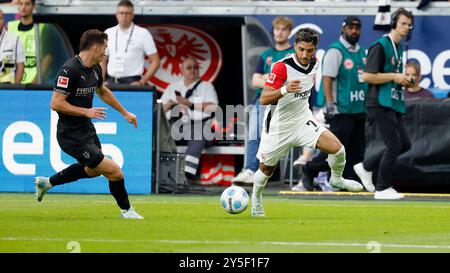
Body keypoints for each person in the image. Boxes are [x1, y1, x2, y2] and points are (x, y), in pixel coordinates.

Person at [252, 28, 363, 217]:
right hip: (279, 127)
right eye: (301, 49)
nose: (305, 55)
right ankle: (256, 198)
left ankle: (336, 180)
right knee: (266, 169)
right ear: (295, 45)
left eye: (309, 50)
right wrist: (285, 90)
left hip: (302, 121)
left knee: (338, 148)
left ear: (315, 49)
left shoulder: (314, 63)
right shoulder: (281, 67)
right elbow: (263, 99)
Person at [34, 29, 144, 219]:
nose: (105, 52)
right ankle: (127, 211)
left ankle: (47, 183)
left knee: (93, 171)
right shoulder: (70, 70)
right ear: (95, 47)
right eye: (104, 48)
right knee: (115, 172)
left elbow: (102, 91)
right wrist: (86, 111)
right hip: (70, 134)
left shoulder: (94, 69)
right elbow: (55, 103)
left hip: (86, 130)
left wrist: (125, 112)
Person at [294, 16, 368, 191]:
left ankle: (347, 181)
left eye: (357, 28)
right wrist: (330, 104)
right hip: (341, 110)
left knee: (355, 151)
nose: (354, 31)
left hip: (357, 108)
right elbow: (327, 79)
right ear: (343, 29)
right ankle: (310, 168)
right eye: (351, 28)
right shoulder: (336, 50)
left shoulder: (361, 52)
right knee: (336, 149)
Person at [353, 8, 414, 200]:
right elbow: (367, 75)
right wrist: (395, 76)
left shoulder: (399, 47)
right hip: (378, 101)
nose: (406, 27)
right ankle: (382, 188)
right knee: (394, 144)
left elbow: (392, 76)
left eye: (409, 24)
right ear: (394, 23)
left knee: (404, 143)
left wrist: (404, 79)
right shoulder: (380, 45)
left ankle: (365, 166)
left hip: (393, 101)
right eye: (403, 23)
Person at [232, 16, 295, 185]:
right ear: (273, 32)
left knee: (267, 135)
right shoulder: (266, 54)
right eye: (277, 29)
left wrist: (268, 78)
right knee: (253, 132)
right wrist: (274, 79)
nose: (279, 32)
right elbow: (254, 81)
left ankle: (261, 171)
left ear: (289, 32)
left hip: (283, 101)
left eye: (283, 29)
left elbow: (290, 80)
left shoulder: (293, 55)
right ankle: (250, 169)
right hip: (262, 99)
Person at [160, 57, 218, 181]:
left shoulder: (206, 86)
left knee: (199, 133)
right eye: (189, 67)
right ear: (182, 70)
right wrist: (169, 105)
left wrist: (190, 104)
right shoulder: (173, 87)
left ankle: (186, 176)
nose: (193, 70)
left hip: (200, 126)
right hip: (177, 127)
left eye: (195, 67)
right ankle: (160, 176)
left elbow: (214, 108)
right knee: (158, 133)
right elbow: (158, 111)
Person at [102, 0, 160, 86]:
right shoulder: (108, 32)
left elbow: (156, 61)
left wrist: (142, 82)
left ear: (133, 15)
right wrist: (101, 80)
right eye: (121, 13)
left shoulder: (143, 33)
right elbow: (102, 59)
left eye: (127, 13)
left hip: (132, 82)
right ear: (116, 14)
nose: (124, 16)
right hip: (111, 81)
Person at [7, 0, 43, 84]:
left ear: (33, 7)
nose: (23, 7)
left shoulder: (41, 28)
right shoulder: (10, 26)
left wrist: (36, 82)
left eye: (27, 4)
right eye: (21, 4)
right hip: (12, 84)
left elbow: (48, 58)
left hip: (36, 84)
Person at [0, 8, 24, 83]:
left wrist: (15, 89)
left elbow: (20, 65)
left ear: (3, 20)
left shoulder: (14, 39)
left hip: (8, 88)